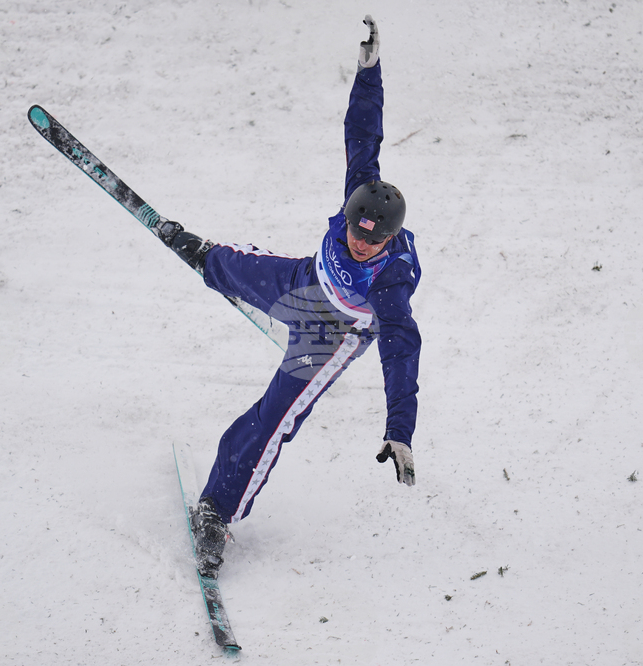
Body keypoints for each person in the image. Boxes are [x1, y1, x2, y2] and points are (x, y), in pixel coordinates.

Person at [155, 15, 421, 579]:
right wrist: (368, 71)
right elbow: (362, 133)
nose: (360, 242)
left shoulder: (392, 282)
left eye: (372, 240)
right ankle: (204, 256)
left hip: (331, 336)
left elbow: (401, 352)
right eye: (354, 230)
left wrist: (400, 428)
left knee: (273, 417)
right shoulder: (359, 203)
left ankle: (217, 510)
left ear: (391, 238)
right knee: (230, 265)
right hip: (306, 280)